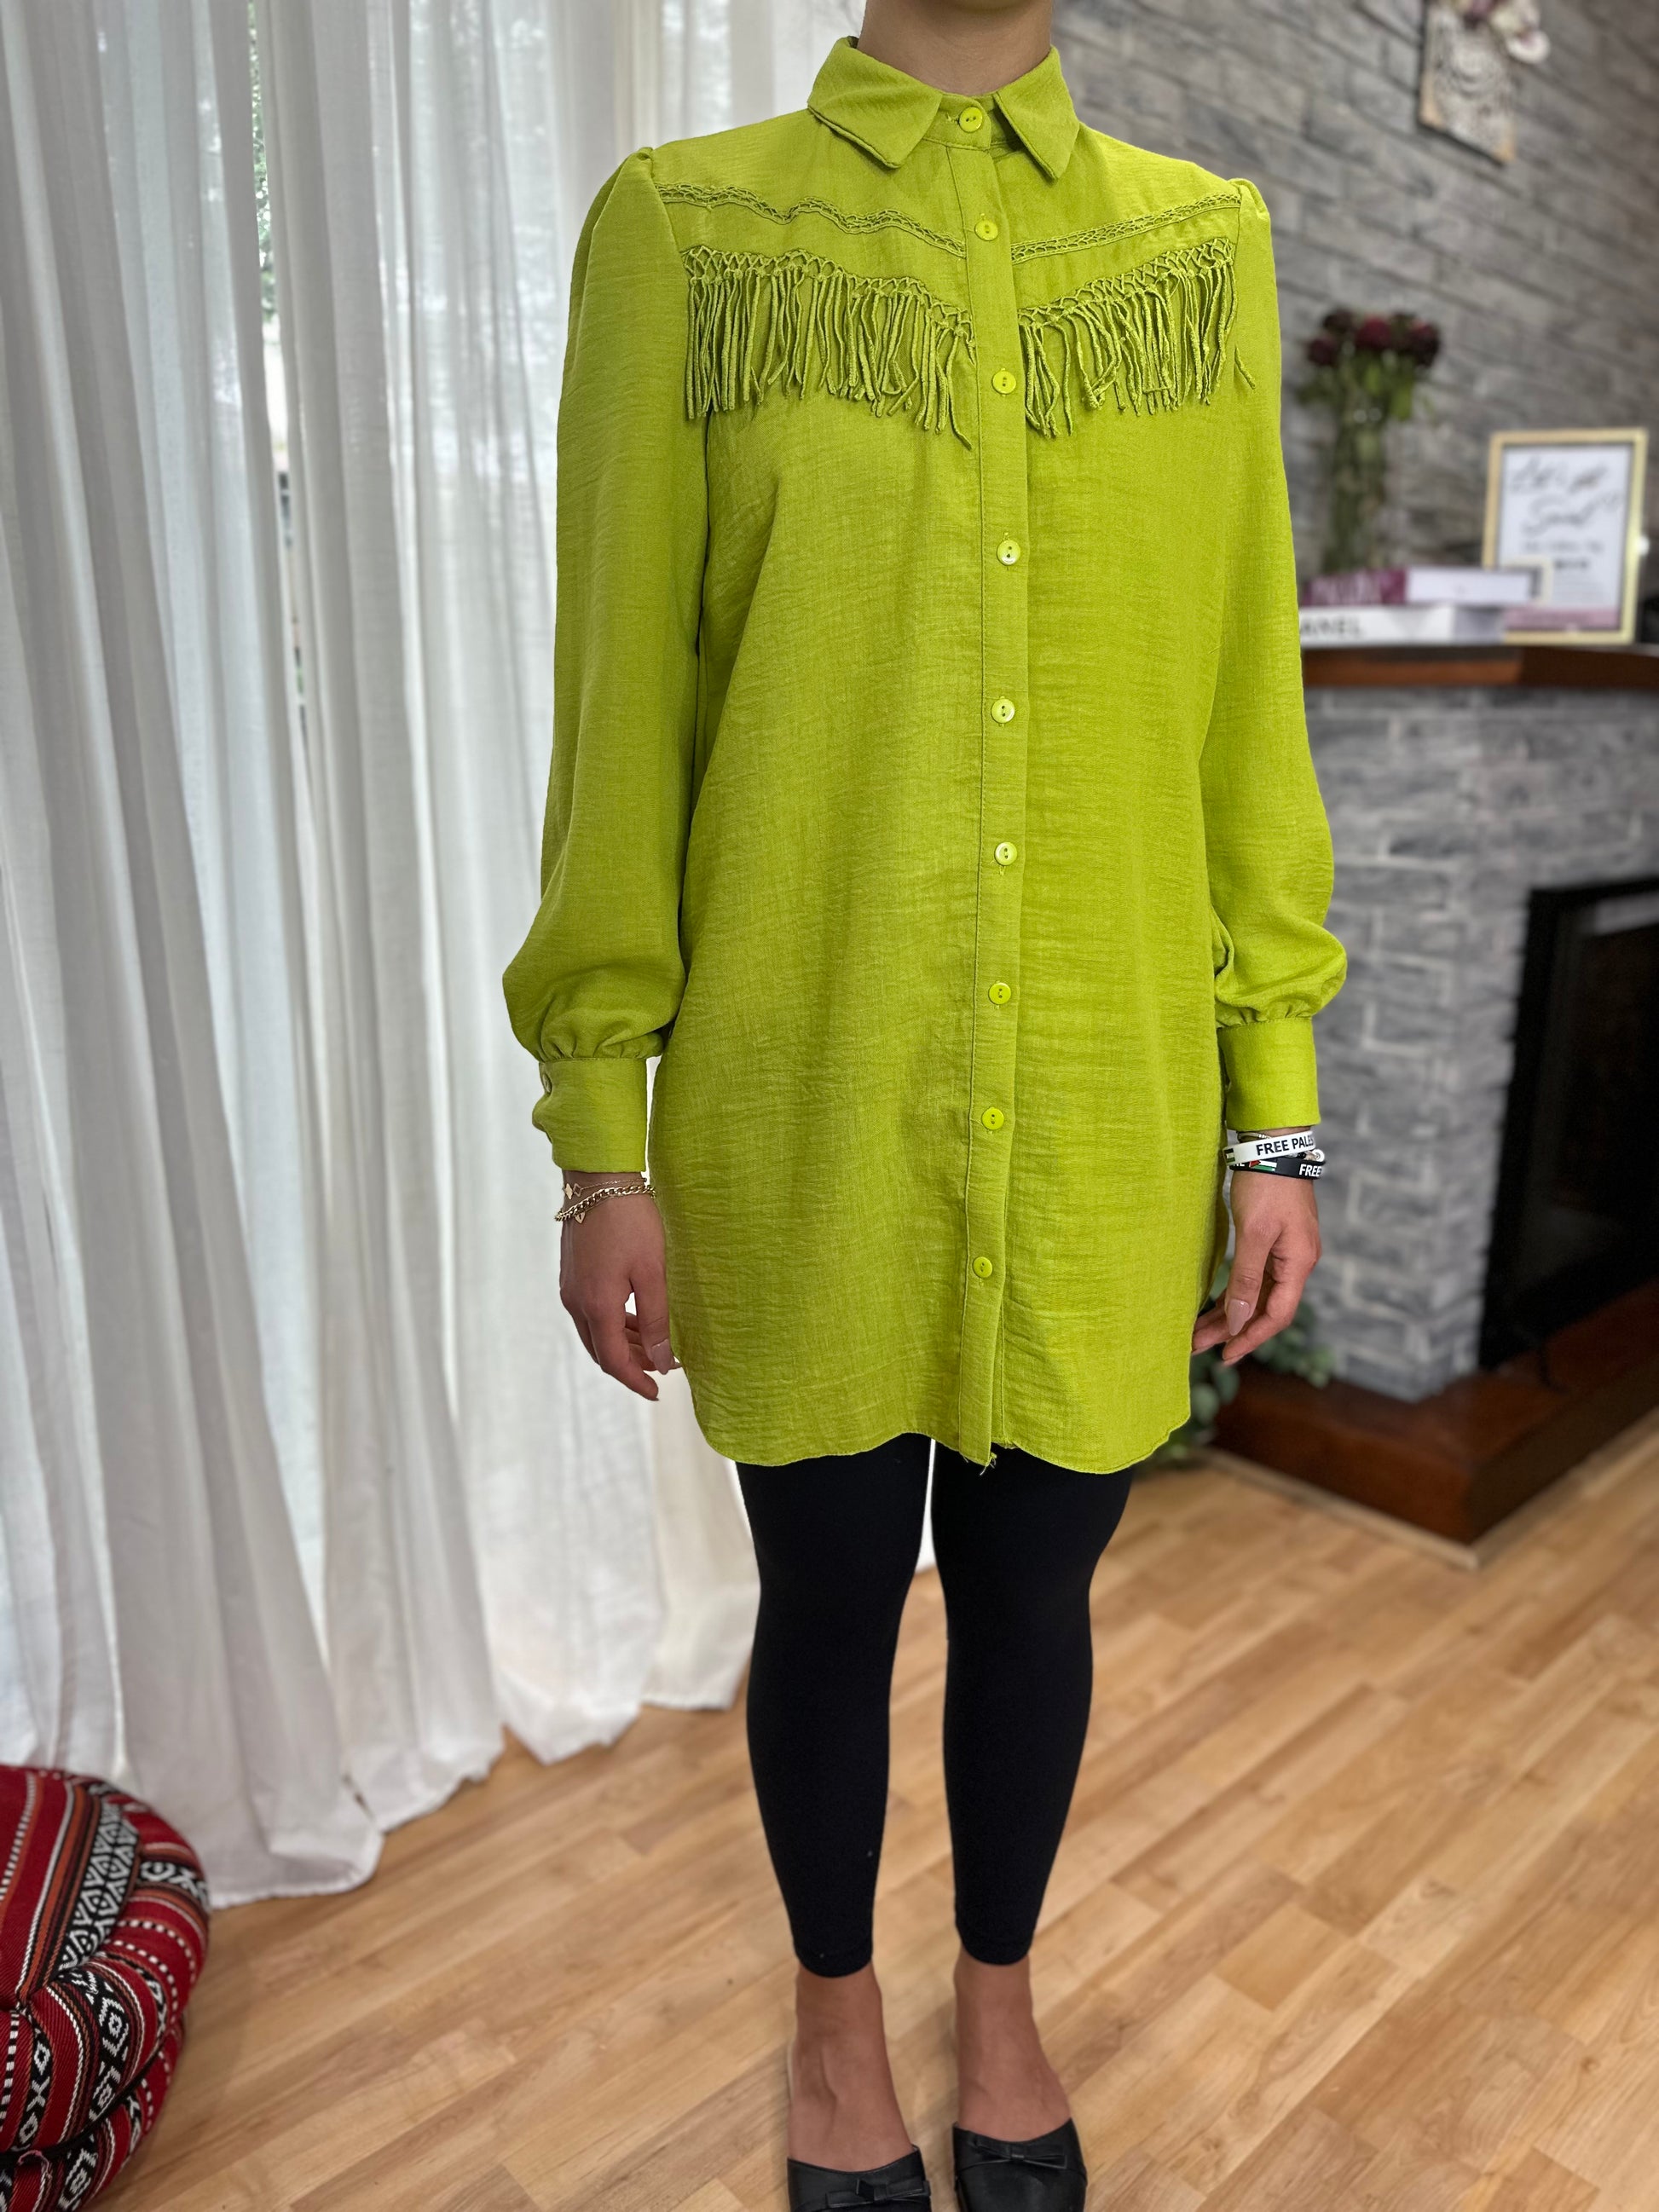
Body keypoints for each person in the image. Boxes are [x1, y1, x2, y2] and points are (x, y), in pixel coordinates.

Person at [503, 0, 1344, 2203]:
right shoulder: (690, 235)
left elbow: (1242, 706)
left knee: (1041, 1591)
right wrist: (601, 1132)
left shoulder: (1200, 252)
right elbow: (622, 719)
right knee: (830, 1591)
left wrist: (1273, 1109)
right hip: (808, 1088)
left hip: (1105, 1093)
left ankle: (999, 1997)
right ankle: (826, 2029)